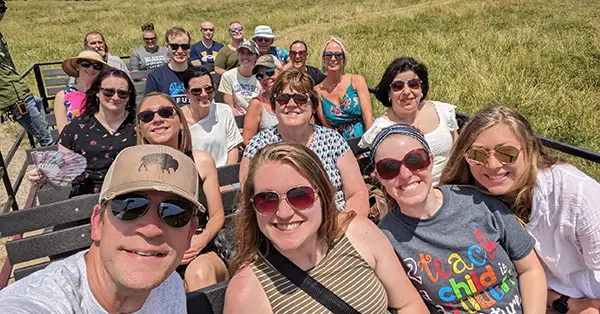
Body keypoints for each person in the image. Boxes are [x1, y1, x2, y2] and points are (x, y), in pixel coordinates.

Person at [224, 142, 428, 313]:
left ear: (323, 196)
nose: (284, 213)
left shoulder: (358, 233)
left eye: (300, 196)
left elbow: (408, 304)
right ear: (252, 206)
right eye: (267, 200)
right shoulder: (247, 292)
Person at [0, 144, 202, 313]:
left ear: (190, 234)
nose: (151, 229)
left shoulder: (170, 285)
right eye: (129, 205)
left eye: (176, 212)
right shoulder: (44, 301)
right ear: (97, 223)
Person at [440, 105, 600, 312]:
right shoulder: (468, 200)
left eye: (507, 153)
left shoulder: (577, 195)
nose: (492, 165)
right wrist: (566, 304)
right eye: (478, 155)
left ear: (531, 148)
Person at [373, 124, 547, 313]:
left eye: (415, 160)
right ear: (379, 177)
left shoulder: (477, 202)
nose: (405, 174)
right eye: (389, 168)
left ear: (430, 161)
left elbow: (529, 269)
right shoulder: (385, 239)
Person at [240, 68, 369, 216]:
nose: (291, 104)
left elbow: (357, 193)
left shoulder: (332, 140)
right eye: (283, 99)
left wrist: (345, 228)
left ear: (313, 106)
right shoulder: (258, 146)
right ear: (274, 106)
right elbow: (249, 201)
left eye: (300, 99)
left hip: (336, 225)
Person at [136, 92, 228, 291]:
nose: (157, 120)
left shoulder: (202, 161)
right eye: (147, 116)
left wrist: (201, 240)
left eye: (166, 112)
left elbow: (217, 215)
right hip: (156, 251)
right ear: (140, 128)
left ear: (179, 120)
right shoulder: (135, 169)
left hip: (200, 248)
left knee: (199, 274)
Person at [29, 69, 137, 197]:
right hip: (88, 195)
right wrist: (43, 175)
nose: (115, 97)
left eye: (122, 93)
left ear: (129, 96)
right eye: (108, 92)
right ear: (97, 92)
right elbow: (64, 166)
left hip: (131, 193)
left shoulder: (140, 123)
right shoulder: (76, 127)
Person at [359, 57, 458, 186]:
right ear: (389, 93)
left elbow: (458, 150)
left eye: (413, 84)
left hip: (452, 187)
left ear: (421, 87)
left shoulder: (442, 110)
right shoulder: (382, 129)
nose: (407, 92)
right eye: (398, 86)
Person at [0, 0, 52, 147]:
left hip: (21, 91)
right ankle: (53, 169)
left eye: (3, 7)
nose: (3, 11)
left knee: (47, 132)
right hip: (15, 97)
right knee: (47, 139)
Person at [181, 67, 243, 168]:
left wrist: (226, 177)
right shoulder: (178, 119)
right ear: (187, 93)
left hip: (223, 174)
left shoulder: (224, 111)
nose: (204, 94)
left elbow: (232, 147)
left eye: (208, 89)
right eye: (196, 91)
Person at [315, 36, 373, 140]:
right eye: (328, 55)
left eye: (338, 55)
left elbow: (368, 117)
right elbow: (326, 126)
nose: (333, 59)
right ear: (324, 59)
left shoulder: (357, 81)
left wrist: (369, 143)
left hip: (365, 136)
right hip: (339, 143)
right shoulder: (317, 91)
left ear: (344, 59)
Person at [55, 50, 109, 133]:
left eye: (96, 66)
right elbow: (63, 132)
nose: (91, 69)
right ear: (77, 66)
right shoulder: (62, 96)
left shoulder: (107, 93)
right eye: (86, 64)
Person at [145, 26, 192, 106]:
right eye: (174, 47)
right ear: (167, 47)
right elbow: (149, 106)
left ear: (189, 48)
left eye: (184, 46)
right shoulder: (155, 76)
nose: (180, 51)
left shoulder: (198, 74)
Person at [242, 54, 281, 146]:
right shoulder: (257, 104)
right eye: (260, 76)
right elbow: (247, 140)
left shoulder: (296, 97)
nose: (266, 78)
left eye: (270, 72)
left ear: (280, 71)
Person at [218, 40, 260, 116]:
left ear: (257, 56)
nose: (245, 56)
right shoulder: (228, 76)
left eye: (250, 53)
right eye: (242, 53)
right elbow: (230, 107)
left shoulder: (262, 76)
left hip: (258, 115)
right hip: (237, 117)